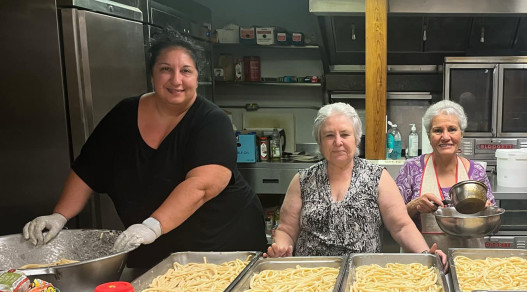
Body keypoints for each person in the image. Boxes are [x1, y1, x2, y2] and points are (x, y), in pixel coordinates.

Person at [22, 29, 268, 270]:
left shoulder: (212, 121)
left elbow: (201, 186)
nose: (176, 80)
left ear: (196, 77)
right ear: (152, 74)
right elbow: (88, 168)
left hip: (222, 243)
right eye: (165, 69)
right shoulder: (124, 114)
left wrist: (151, 226)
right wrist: (59, 216)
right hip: (156, 248)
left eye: (185, 71)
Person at [267, 103, 446, 264]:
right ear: (320, 142)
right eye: (329, 135)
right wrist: (281, 248)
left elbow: (401, 225)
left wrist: (425, 254)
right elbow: (286, 230)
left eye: (345, 134)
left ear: (356, 138)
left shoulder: (377, 177)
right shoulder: (302, 180)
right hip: (310, 277)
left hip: (362, 278)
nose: (338, 142)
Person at [395, 100, 495, 251]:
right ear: (429, 136)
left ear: (462, 134)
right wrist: (414, 206)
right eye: (438, 130)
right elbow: (393, 219)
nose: (445, 137)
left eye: (452, 129)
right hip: (423, 262)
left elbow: (490, 222)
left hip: (468, 263)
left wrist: (485, 211)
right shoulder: (412, 168)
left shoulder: (476, 172)